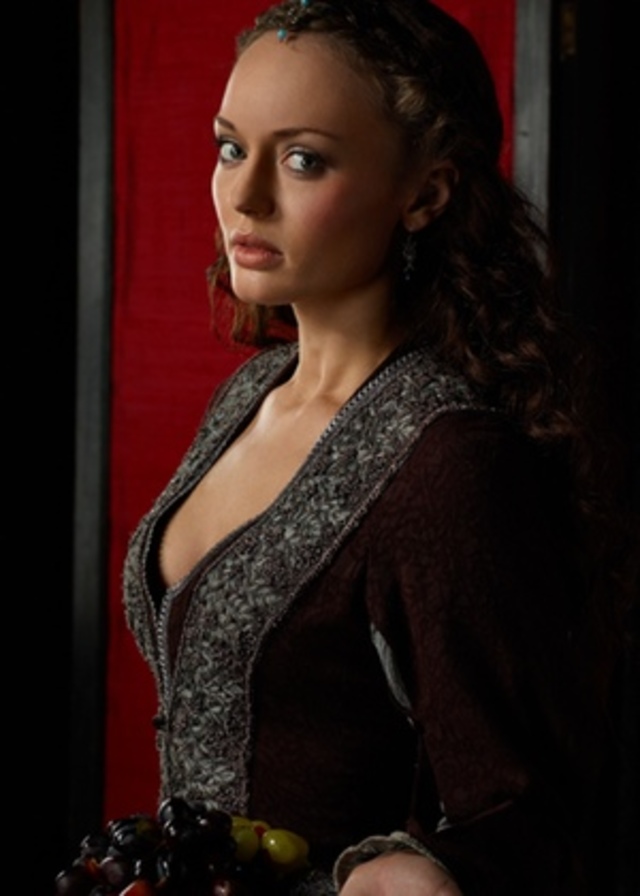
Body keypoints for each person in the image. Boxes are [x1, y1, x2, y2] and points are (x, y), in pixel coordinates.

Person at [122, 1, 634, 894]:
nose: (244, 196)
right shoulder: (249, 394)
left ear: (425, 194)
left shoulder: (451, 463)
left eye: (303, 159)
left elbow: (521, 812)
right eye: (231, 148)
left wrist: (403, 871)